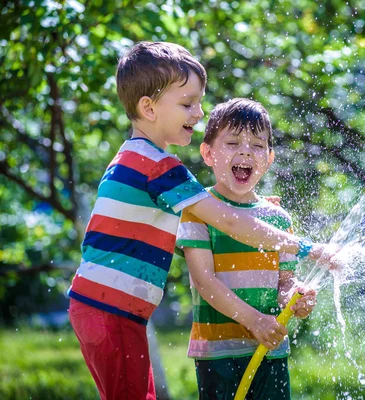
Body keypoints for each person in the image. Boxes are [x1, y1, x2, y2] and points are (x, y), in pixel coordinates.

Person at [67, 42, 332, 400]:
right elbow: (230, 223)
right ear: (148, 108)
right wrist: (308, 248)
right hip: (110, 310)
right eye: (187, 103)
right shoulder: (158, 166)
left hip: (105, 307)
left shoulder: (135, 157)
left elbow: (233, 218)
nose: (198, 112)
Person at [176, 98, 317, 400]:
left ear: (269, 158)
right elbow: (204, 281)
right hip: (219, 354)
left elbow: (285, 283)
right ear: (208, 153)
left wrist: (296, 297)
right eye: (232, 142)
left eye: (257, 145)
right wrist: (255, 321)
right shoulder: (197, 212)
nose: (245, 151)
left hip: (270, 350)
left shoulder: (278, 220)